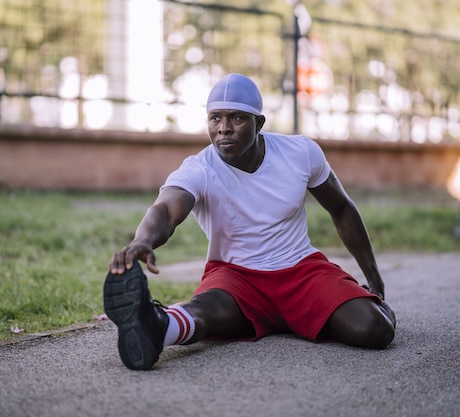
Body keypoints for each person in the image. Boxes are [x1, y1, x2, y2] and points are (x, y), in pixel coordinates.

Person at [104, 73, 396, 371]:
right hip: (236, 278)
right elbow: (165, 209)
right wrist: (143, 240)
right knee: (206, 311)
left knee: (376, 329)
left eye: (237, 118)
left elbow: (342, 208)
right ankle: (156, 326)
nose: (223, 129)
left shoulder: (301, 153)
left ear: (259, 123)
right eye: (215, 118)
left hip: (300, 272)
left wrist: (373, 279)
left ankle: (314, 314)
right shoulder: (199, 169)